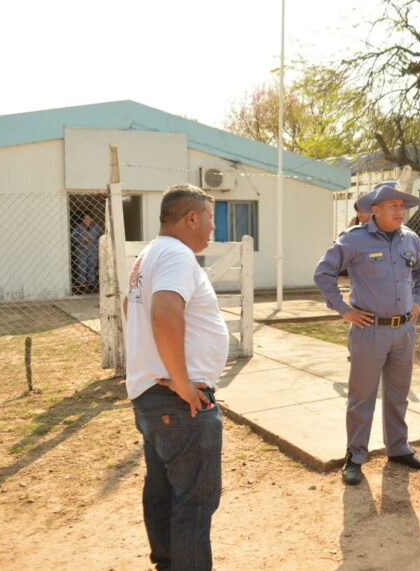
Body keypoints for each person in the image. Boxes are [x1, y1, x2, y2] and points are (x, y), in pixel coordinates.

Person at [123, 183, 228, 571]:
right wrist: (183, 382)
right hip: (179, 401)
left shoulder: (149, 254)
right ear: (192, 218)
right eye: (212, 219)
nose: (213, 229)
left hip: (154, 396)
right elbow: (165, 311)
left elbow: (128, 307)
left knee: (163, 490)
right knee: (194, 503)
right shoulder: (177, 256)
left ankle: (166, 564)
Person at [314, 181, 420, 486]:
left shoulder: (411, 239)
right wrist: (343, 309)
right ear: (374, 210)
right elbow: (323, 273)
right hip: (369, 331)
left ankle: (398, 448)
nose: (400, 211)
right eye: (393, 206)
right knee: (361, 397)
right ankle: (355, 457)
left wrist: (418, 301)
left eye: (403, 206)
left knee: (398, 395)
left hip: (404, 331)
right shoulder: (354, 240)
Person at [71, 213, 103, 292]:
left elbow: (102, 237)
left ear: (92, 219)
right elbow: (72, 236)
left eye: (89, 219)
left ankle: (91, 284)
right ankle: (81, 285)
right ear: (82, 219)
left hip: (93, 250)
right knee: (81, 267)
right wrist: (81, 239)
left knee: (91, 267)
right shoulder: (78, 227)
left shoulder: (97, 227)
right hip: (81, 250)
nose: (87, 221)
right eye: (85, 219)